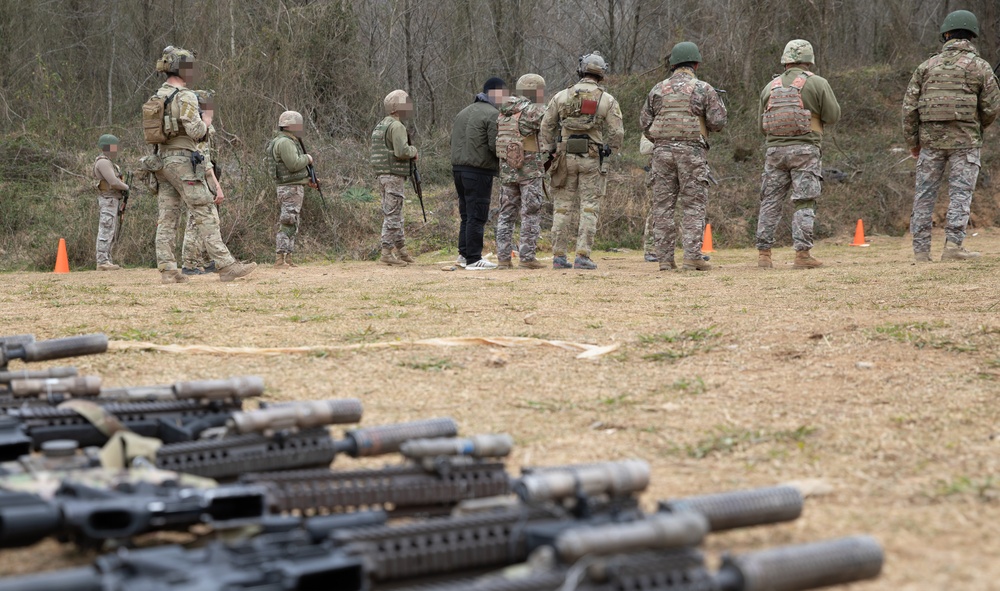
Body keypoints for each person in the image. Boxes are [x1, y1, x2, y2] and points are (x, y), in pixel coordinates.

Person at [148, 46, 256, 283]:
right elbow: (196, 131)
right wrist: (207, 120)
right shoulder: (185, 95)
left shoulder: (157, 96)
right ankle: (226, 265)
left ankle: (168, 271)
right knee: (205, 210)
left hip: (161, 161)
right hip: (183, 160)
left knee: (167, 217)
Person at [902, 10, 999, 262]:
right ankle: (953, 247)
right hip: (965, 142)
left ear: (946, 34)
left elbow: (909, 109)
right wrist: (977, 127)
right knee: (960, 194)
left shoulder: (926, 67)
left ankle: (921, 251)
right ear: (972, 36)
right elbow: (991, 107)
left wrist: (914, 143)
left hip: (930, 143)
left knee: (924, 195)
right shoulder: (981, 67)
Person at [640, 42, 727, 272]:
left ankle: (665, 260)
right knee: (693, 205)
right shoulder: (703, 89)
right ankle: (692, 257)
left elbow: (644, 124)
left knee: (663, 207)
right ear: (696, 64)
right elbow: (718, 122)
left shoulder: (657, 89)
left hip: (662, 154)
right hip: (691, 152)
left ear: (673, 65)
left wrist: (662, 140)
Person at [755, 40, 840, 270]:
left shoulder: (769, 87)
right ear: (809, 61)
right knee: (804, 201)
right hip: (805, 150)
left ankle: (764, 254)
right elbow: (832, 116)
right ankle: (802, 255)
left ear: (785, 62)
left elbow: (762, 126)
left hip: (774, 152)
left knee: (770, 201)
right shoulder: (817, 83)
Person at [540, 52, 624, 270]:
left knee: (561, 208)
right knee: (588, 207)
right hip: (592, 158)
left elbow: (546, 126)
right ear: (601, 74)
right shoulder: (607, 100)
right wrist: (610, 150)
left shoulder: (561, 97)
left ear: (581, 70)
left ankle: (558, 256)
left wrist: (549, 151)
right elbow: (617, 132)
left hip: (564, 158)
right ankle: (583, 255)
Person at [451, 77, 507, 270]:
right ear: (496, 92)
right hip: (479, 171)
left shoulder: (462, 112)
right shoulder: (492, 114)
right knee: (478, 214)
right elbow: (495, 145)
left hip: (458, 170)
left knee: (466, 214)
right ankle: (474, 259)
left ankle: (464, 254)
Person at [495, 74, 548, 270]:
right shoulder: (534, 111)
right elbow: (552, 120)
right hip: (529, 170)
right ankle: (527, 257)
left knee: (506, 214)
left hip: (507, 170)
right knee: (530, 213)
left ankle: (503, 258)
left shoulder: (503, 111)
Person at [371, 89, 418, 267]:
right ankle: (386, 252)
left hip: (383, 175)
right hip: (393, 175)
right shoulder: (397, 126)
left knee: (395, 212)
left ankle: (402, 250)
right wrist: (414, 151)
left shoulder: (381, 125)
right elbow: (401, 151)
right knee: (393, 213)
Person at [181, 90, 223, 275]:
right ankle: (189, 264)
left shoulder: (199, 128)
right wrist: (216, 186)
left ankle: (206, 260)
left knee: (207, 220)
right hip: (198, 180)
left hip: (200, 178)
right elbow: (204, 162)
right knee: (196, 221)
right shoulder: (198, 130)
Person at [265, 110, 313, 269]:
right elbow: (293, 164)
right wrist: (308, 158)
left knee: (293, 221)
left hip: (292, 186)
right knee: (288, 221)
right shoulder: (285, 142)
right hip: (289, 188)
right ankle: (280, 259)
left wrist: (308, 178)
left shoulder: (286, 140)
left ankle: (288, 258)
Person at [93, 134, 129, 271]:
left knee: (110, 229)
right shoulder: (103, 162)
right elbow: (113, 182)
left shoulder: (108, 162)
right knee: (106, 228)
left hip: (112, 200)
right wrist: (126, 187)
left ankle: (106, 259)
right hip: (108, 199)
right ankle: (102, 261)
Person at [639, 135, 657, 263]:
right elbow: (644, 148)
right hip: (657, 173)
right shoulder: (652, 124)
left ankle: (692, 250)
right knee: (655, 211)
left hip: (683, 169)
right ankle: (651, 250)